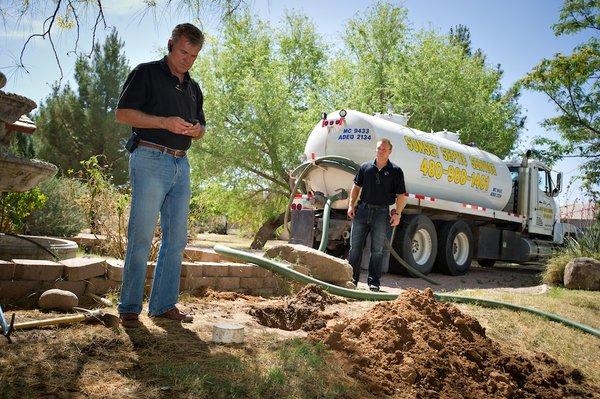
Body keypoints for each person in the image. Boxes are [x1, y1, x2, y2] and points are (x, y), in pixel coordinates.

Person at [115, 23, 206, 328]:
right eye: (183, 52)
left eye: (193, 55)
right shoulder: (146, 73)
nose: (187, 60)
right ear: (170, 44)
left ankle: (164, 305)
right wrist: (165, 122)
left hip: (182, 166)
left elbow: (202, 128)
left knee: (177, 239)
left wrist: (196, 130)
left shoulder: (194, 88)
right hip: (150, 158)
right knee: (141, 236)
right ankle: (129, 306)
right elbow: (123, 114)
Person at [347, 138, 407, 291]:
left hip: (381, 213)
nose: (381, 151)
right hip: (362, 211)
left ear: (390, 152)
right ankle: (351, 280)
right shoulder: (365, 167)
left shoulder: (395, 171)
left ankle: (374, 282)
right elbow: (356, 187)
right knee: (355, 248)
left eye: (384, 149)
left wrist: (398, 214)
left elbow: (402, 195)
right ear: (376, 149)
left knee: (377, 250)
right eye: (379, 148)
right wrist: (351, 205)